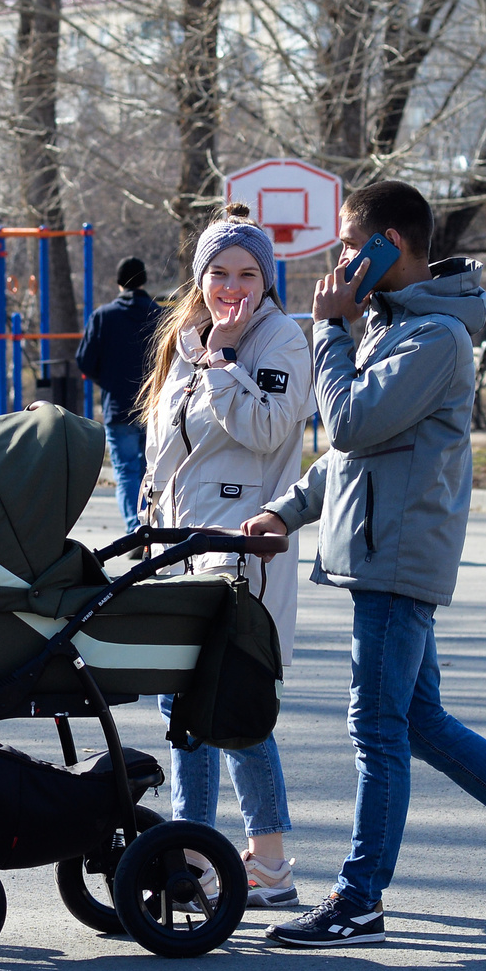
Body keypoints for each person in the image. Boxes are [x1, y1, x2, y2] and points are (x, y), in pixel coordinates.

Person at [246, 180, 486, 948]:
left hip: (398, 559)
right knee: (418, 721)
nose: (340, 257)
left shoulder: (433, 337)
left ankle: (359, 898)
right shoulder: (393, 323)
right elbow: (357, 453)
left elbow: (347, 421)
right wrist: (289, 508)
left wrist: (328, 329)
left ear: (393, 246)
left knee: (375, 727)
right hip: (382, 550)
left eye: (351, 243)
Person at [137, 206, 317, 908]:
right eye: (219, 273)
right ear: (200, 276)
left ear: (268, 279)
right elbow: (164, 450)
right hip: (179, 550)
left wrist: (227, 359)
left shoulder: (280, 339)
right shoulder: (185, 341)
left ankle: (262, 862)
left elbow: (270, 428)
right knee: (183, 706)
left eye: (248, 274)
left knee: (231, 704)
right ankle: (196, 852)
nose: (232, 287)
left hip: (240, 554)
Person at [76, 256, 160, 532]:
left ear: (118, 283)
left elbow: (85, 362)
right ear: (144, 281)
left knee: (125, 471)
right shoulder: (160, 316)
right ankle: (156, 527)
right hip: (155, 407)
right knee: (156, 471)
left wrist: (108, 381)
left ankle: (135, 529)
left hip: (118, 407)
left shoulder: (103, 317)